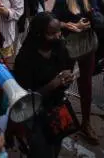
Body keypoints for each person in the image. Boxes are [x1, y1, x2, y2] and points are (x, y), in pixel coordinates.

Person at [52, 0, 103, 143]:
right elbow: (53, 22)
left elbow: (95, 12)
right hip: (68, 46)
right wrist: (70, 25)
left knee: (86, 83)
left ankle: (86, 121)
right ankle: (57, 114)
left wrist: (91, 19)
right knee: (63, 79)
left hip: (87, 44)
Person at [13, 12, 75, 158]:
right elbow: (24, 98)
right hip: (36, 115)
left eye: (59, 31)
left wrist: (67, 79)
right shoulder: (25, 58)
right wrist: (53, 85)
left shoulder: (59, 47)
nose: (58, 35)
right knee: (41, 150)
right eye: (52, 33)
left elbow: (65, 70)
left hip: (57, 108)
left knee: (55, 146)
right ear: (39, 34)